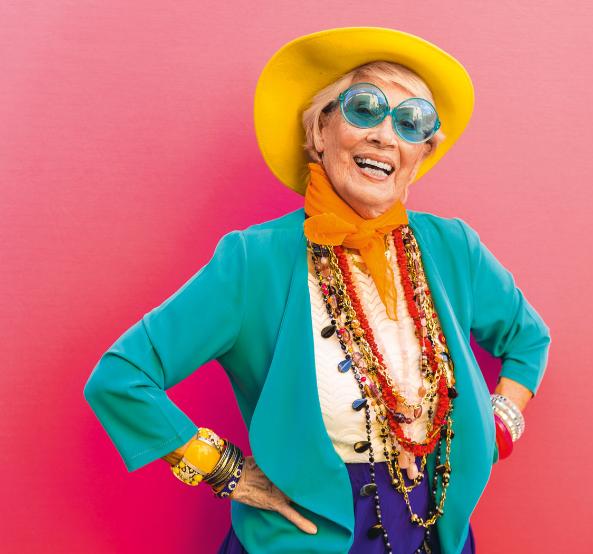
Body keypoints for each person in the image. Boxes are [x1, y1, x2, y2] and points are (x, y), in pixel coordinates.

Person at [83, 26, 551, 554]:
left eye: (410, 122)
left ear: (420, 154)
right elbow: (121, 376)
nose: (385, 135)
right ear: (321, 131)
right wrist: (221, 469)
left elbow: (528, 338)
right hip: (302, 540)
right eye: (365, 109)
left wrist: (497, 426)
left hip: (434, 536)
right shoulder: (252, 260)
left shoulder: (453, 247)